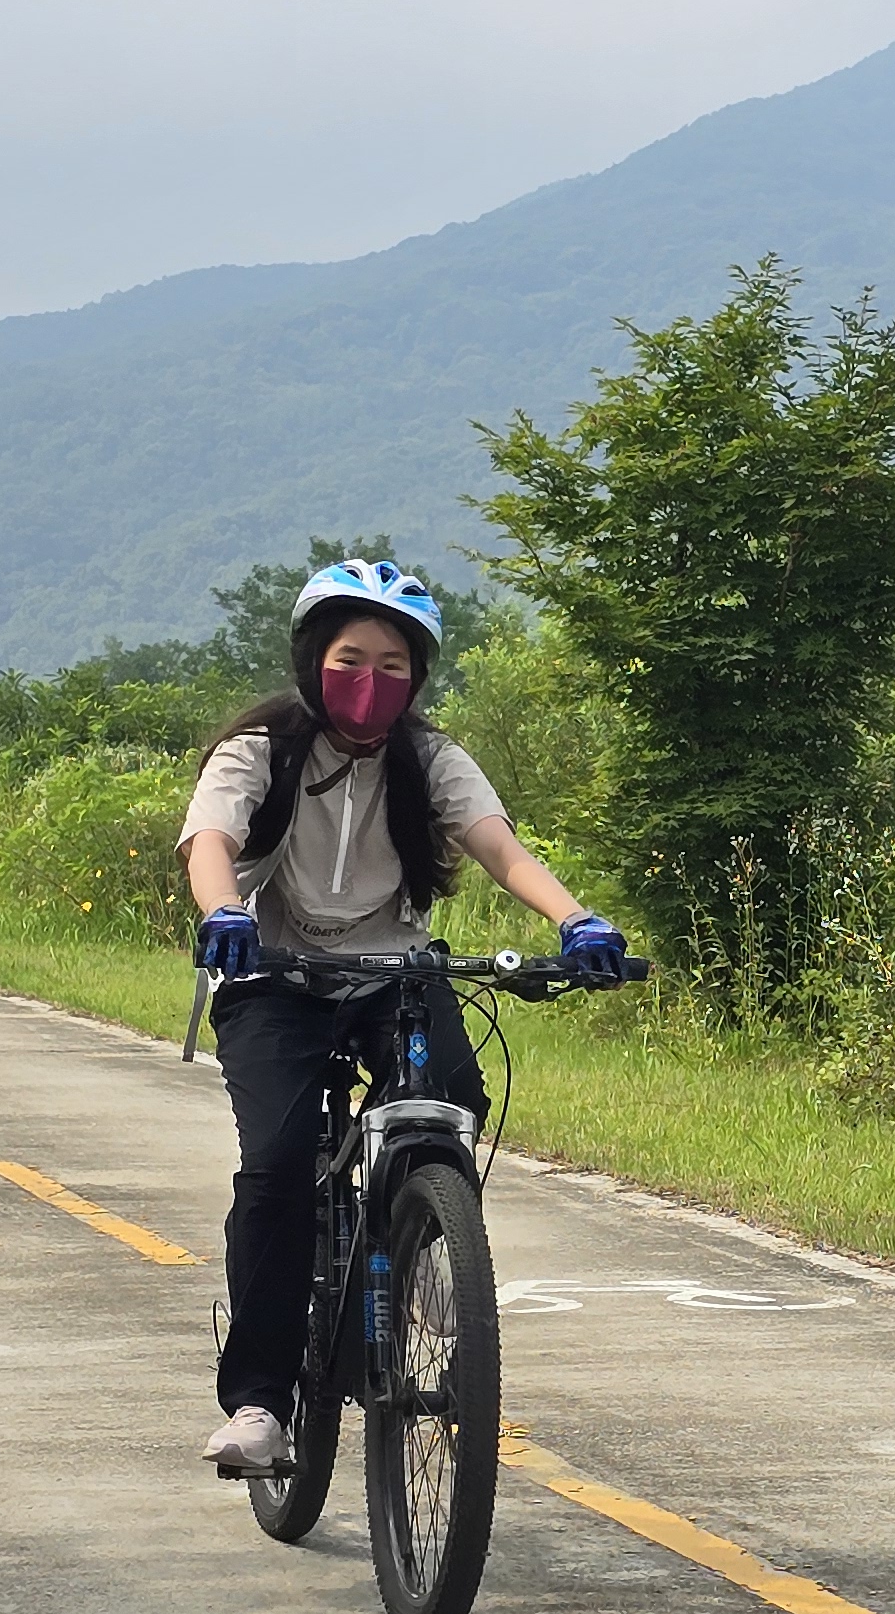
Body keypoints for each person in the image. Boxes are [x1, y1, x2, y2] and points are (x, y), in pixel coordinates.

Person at [177, 558, 624, 1476]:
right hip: (275, 973)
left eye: (393, 664)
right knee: (276, 1165)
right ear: (312, 659)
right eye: (350, 659)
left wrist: (575, 919)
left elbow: (500, 847)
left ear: (417, 676)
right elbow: (211, 838)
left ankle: (419, 1241)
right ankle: (261, 1401)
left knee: (453, 1097)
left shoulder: (430, 759)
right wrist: (223, 912)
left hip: (394, 972)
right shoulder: (260, 748)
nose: (369, 683)